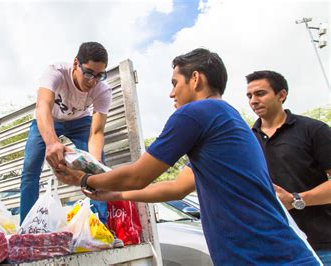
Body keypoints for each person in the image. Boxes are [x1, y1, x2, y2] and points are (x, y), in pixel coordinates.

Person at [54, 48, 321, 264]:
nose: (171, 93)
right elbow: (178, 187)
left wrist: (84, 180)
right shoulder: (227, 119)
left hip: (265, 259)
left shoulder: (196, 113)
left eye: (174, 83)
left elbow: (136, 176)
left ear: (195, 79)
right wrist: (116, 195)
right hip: (279, 254)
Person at [19, 42, 111, 224]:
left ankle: (101, 226)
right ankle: (26, 227)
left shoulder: (103, 90)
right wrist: (52, 142)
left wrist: (93, 164)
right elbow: (43, 105)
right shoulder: (55, 71)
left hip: (80, 122)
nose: (92, 81)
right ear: (76, 63)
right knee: (30, 169)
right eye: (88, 73)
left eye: (99, 75)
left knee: (98, 169)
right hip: (49, 117)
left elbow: (97, 131)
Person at [246, 70, 331, 264]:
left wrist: (296, 199)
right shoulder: (246, 139)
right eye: (249, 96)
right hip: (272, 247)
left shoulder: (314, 130)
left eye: (260, 93)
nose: (253, 101)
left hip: (321, 245)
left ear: (281, 95)